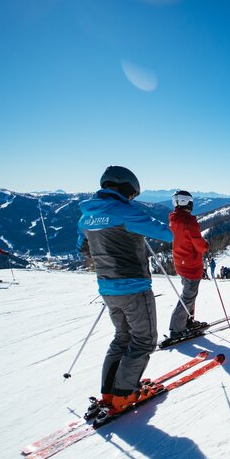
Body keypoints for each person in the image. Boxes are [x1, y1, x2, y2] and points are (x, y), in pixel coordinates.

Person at [77, 165, 173, 418]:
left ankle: (109, 392)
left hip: (107, 287)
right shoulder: (125, 211)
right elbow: (167, 234)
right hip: (134, 286)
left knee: (122, 337)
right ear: (127, 188)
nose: (132, 199)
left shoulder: (85, 216)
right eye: (132, 194)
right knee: (143, 340)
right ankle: (124, 394)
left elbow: (84, 248)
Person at [166, 190, 210, 341]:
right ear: (187, 202)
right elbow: (198, 243)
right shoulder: (189, 221)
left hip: (180, 262)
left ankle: (187, 321)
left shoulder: (174, 219)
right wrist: (205, 247)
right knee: (188, 296)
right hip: (191, 264)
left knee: (189, 295)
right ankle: (177, 329)